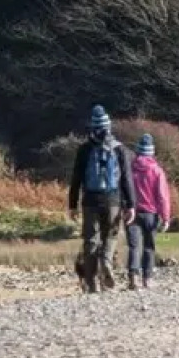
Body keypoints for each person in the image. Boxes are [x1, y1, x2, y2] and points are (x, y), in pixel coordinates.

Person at [68, 105, 137, 292]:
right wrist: (131, 205)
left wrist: (72, 205)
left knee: (90, 240)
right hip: (113, 200)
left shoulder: (84, 150)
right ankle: (106, 261)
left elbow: (76, 178)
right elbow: (127, 179)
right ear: (109, 127)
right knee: (111, 236)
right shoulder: (120, 149)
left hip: (90, 200)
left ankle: (91, 284)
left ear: (92, 126)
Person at [126, 133, 172, 290]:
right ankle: (148, 278)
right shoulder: (157, 171)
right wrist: (166, 217)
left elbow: (124, 190)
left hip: (132, 212)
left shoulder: (130, 169)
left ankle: (133, 277)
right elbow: (162, 196)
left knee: (133, 246)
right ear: (152, 152)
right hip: (150, 214)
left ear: (138, 151)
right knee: (149, 247)